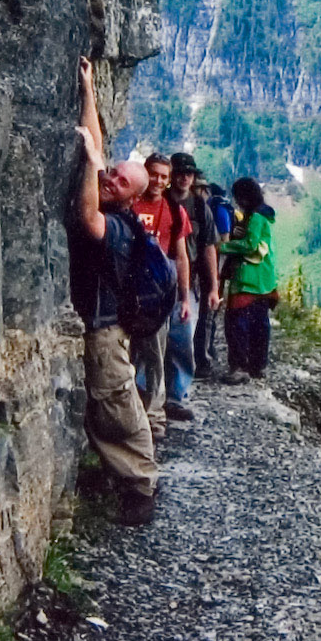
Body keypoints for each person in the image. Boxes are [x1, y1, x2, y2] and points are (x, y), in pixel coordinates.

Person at [69, 57, 158, 526]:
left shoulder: (121, 229)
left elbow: (88, 217)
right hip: (99, 328)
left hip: (106, 334)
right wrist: (88, 89)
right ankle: (125, 483)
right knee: (106, 407)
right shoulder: (116, 194)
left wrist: (89, 164)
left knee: (118, 409)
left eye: (120, 181)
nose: (110, 179)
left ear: (130, 197)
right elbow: (98, 145)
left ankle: (141, 489)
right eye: (113, 174)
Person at [129, 153, 193, 439]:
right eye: (153, 174)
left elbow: (181, 256)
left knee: (155, 355)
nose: (158, 181)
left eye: (163, 177)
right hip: (126, 289)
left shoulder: (175, 211)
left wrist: (184, 297)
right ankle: (130, 414)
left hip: (157, 294)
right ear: (145, 173)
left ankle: (154, 417)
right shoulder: (129, 201)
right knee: (127, 354)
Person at [167, 153, 220, 401]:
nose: (185, 177)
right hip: (159, 279)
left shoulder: (200, 207)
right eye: (180, 172)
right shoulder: (161, 201)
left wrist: (213, 288)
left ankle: (177, 394)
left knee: (183, 337)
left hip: (190, 282)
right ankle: (155, 395)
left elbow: (209, 248)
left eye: (189, 173)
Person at [217, 176, 278, 382]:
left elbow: (250, 245)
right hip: (265, 280)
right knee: (260, 324)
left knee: (237, 323)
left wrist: (223, 247)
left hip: (247, 279)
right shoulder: (264, 216)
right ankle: (257, 365)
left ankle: (239, 367)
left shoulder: (255, 218)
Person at [194, 169, 234, 377]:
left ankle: (204, 357)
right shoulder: (212, 208)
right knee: (206, 314)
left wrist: (215, 273)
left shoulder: (215, 211)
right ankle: (204, 354)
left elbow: (223, 243)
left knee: (208, 313)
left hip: (213, 267)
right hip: (206, 267)